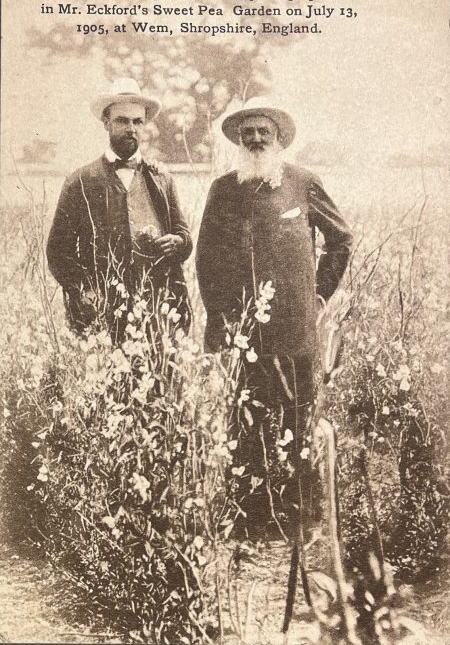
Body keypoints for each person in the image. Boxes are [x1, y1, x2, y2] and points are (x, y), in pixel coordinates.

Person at [196, 97, 353, 538]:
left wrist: (318, 295)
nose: (256, 138)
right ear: (239, 141)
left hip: (295, 329)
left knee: (298, 418)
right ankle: (250, 515)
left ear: (279, 137)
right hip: (244, 330)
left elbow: (341, 239)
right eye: (248, 132)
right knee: (245, 420)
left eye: (264, 130)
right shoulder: (223, 189)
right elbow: (207, 259)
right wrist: (221, 316)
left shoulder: (303, 183)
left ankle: (302, 517)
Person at [47, 78, 192, 340]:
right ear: (106, 123)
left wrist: (179, 242)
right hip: (103, 313)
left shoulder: (161, 178)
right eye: (122, 120)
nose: (131, 129)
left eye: (137, 122)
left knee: (160, 378)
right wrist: (85, 291)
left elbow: (183, 234)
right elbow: (58, 252)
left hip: (156, 311)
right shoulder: (80, 181)